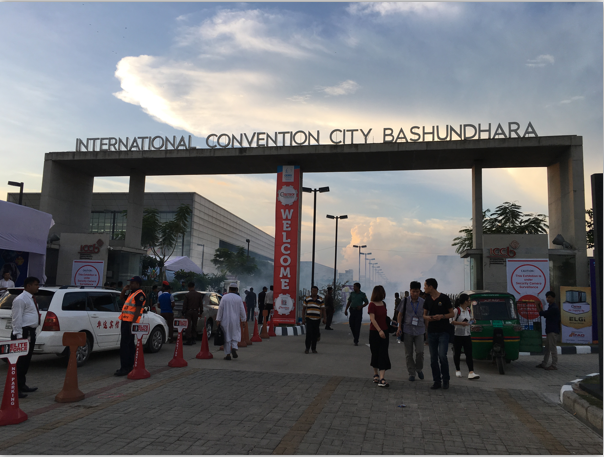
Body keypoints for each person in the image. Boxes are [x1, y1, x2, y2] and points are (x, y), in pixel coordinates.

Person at [11, 276, 40, 398]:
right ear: (28, 286)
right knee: (20, 362)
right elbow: (16, 318)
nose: (38, 287)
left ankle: (22, 384)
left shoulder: (31, 299)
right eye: (36, 285)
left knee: (26, 360)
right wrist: (19, 336)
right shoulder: (20, 299)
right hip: (22, 333)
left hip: (30, 332)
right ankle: (15, 388)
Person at [423, 278, 454, 390]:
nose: (424, 288)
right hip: (432, 332)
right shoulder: (427, 300)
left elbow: (452, 314)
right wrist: (429, 318)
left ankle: (446, 379)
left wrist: (442, 316)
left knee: (442, 356)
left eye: (425, 286)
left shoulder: (444, 298)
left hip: (443, 332)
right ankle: (436, 381)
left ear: (431, 286)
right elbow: (424, 315)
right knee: (433, 358)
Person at [115, 276, 146, 376]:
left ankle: (125, 367)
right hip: (125, 321)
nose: (130, 284)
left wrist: (133, 323)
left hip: (130, 322)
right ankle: (129, 366)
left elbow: (138, 309)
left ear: (137, 284)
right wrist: (124, 290)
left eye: (132, 283)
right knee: (129, 344)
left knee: (125, 345)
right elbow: (121, 299)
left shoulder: (140, 294)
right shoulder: (132, 293)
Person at [397, 281, 426, 381]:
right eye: (413, 291)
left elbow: (426, 316)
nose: (415, 294)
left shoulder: (423, 302)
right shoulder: (405, 301)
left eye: (417, 291)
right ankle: (411, 373)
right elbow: (400, 314)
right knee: (408, 354)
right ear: (410, 291)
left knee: (420, 352)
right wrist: (399, 327)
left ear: (420, 291)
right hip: (407, 330)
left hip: (420, 330)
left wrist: (427, 330)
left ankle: (419, 369)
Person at [452, 294, 480, 380]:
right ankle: (457, 369)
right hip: (458, 335)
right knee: (457, 353)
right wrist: (461, 323)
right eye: (469, 300)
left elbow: (470, 318)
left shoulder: (469, 310)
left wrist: (472, 320)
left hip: (467, 334)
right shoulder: (456, 310)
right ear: (465, 301)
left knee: (469, 353)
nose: (470, 301)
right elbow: (451, 321)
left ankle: (471, 372)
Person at [368, 285, 391, 387]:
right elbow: (372, 319)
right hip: (375, 332)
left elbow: (384, 317)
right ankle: (375, 374)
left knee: (383, 353)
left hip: (385, 331)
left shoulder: (383, 304)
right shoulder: (372, 305)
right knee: (375, 353)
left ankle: (382, 378)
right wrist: (379, 330)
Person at [216, 284, 246, 360]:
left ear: (229, 289)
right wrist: (243, 320)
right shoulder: (239, 298)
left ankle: (228, 355)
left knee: (227, 337)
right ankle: (234, 347)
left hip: (225, 320)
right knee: (235, 334)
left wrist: (218, 319)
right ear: (236, 290)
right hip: (235, 321)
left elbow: (220, 309)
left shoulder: (224, 297)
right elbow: (242, 310)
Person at [536, 291, 561, 371]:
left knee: (552, 348)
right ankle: (544, 363)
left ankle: (554, 365)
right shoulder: (551, 307)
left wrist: (537, 306)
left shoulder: (554, 308)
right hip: (550, 330)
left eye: (549, 297)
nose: (547, 299)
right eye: (547, 297)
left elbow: (542, 314)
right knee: (547, 348)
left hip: (552, 331)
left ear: (553, 298)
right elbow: (544, 314)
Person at [302, 286, 325, 354]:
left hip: (317, 319)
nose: (314, 292)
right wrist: (303, 319)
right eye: (313, 291)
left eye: (315, 291)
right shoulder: (307, 299)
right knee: (309, 333)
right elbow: (303, 309)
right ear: (311, 291)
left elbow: (323, 309)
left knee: (315, 334)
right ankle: (307, 348)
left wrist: (324, 318)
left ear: (317, 291)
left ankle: (313, 348)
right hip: (309, 319)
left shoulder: (320, 299)